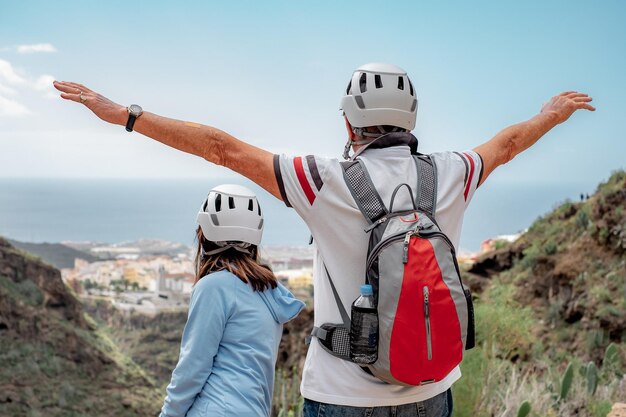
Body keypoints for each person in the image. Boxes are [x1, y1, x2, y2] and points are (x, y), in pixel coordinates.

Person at [54, 63, 594, 416]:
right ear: (409, 118)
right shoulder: (451, 173)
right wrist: (552, 115)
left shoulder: (323, 181)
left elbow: (221, 148)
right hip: (431, 389)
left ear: (349, 125)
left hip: (343, 393)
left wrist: (126, 115)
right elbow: (506, 145)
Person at [158, 184, 304, 417]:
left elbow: (193, 367)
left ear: (204, 232)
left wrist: (168, 414)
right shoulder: (269, 291)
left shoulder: (213, 287)